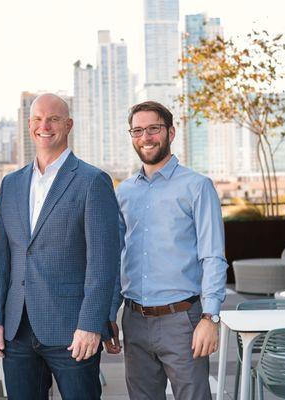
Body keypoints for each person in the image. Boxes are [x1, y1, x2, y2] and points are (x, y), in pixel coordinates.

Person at [0, 93, 119, 399]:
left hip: (72, 330)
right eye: (37, 119)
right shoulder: (11, 183)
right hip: (16, 330)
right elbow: (2, 258)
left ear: (68, 125)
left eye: (53, 119)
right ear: (29, 124)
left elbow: (103, 263)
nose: (44, 125)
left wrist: (91, 324)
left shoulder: (92, 181)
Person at [105, 101, 228, 400]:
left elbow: (213, 256)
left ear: (170, 132)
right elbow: (114, 257)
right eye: (138, 130)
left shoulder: (198, 187)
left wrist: (209, 318)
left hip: (183, 320)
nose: (146, 137)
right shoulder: (124, 192)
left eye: (153, 129)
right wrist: (109, 313)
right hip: (133, 320)